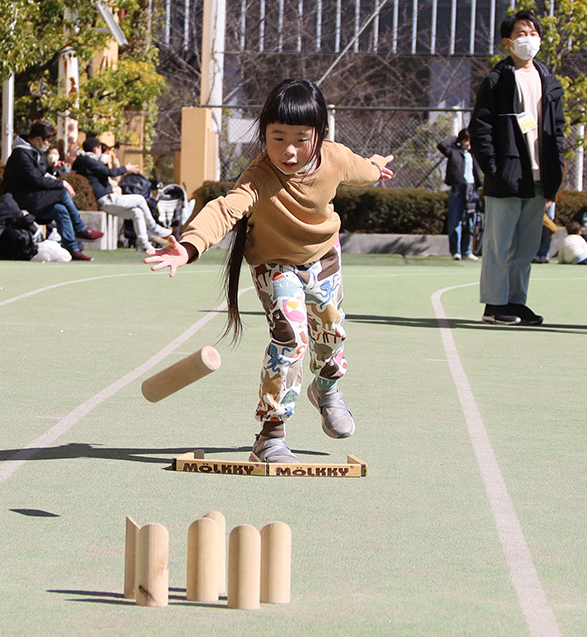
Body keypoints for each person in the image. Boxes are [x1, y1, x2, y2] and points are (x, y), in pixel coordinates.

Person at [144, 79, 394, 464]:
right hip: (274, 266)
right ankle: (270, 434)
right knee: (292, 337)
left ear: (321, 135)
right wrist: (190, 246)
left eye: (300, 138)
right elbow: (225, 209)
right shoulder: (258, 176)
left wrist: (377, 167)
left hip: (323, 257)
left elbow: (362, 169)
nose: (288, 150)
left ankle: (326, 389)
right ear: (263, 135)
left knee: (331, 332)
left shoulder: (335, 157)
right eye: (277, 137)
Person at [469, 11, 565, 325]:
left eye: (534, 32)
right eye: (522, 33)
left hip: (541, 175)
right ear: (508, 42)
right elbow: (480, 127)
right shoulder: (497, 80)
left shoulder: (548, 79)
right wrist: (493, 167)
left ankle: (515, 301)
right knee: (499, 244)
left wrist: (558, 168)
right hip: (507, 174)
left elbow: (558, 128)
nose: (530, 38)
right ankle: (494, 305)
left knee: (526, 247)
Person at [3, 119, 102, 261]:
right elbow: (36, 180)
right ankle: (80, 229)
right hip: (21, 198)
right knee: (62, 192)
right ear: (38, 139)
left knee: (60, 209)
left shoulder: (35, 152)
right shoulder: (21, 154)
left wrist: (52, 170)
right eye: (48, 140)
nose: (49, 144)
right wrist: (62, 183)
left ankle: (72, 249)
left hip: (34, 197)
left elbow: (40, 175)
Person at [72, 137, 172, 252]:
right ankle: (153, 227)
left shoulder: (86, 161)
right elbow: (109, 173)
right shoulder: (89, 161)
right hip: (106, 198)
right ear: (96, 149)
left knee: (137, 212)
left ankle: (143, 244)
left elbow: (105, 173)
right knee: (139, 199)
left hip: (106, 200)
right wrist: (126, 168)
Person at [437, 128, 482, 260]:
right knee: (455, 220)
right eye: (466, 140)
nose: (468, 144)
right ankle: (456, 251)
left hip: (472, 188)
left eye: (470, 141)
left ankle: (467, 250)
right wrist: (455, 137)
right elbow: (442, 145)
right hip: (458, 187)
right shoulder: (454, 152)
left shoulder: (474, 154)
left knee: (470, 221)